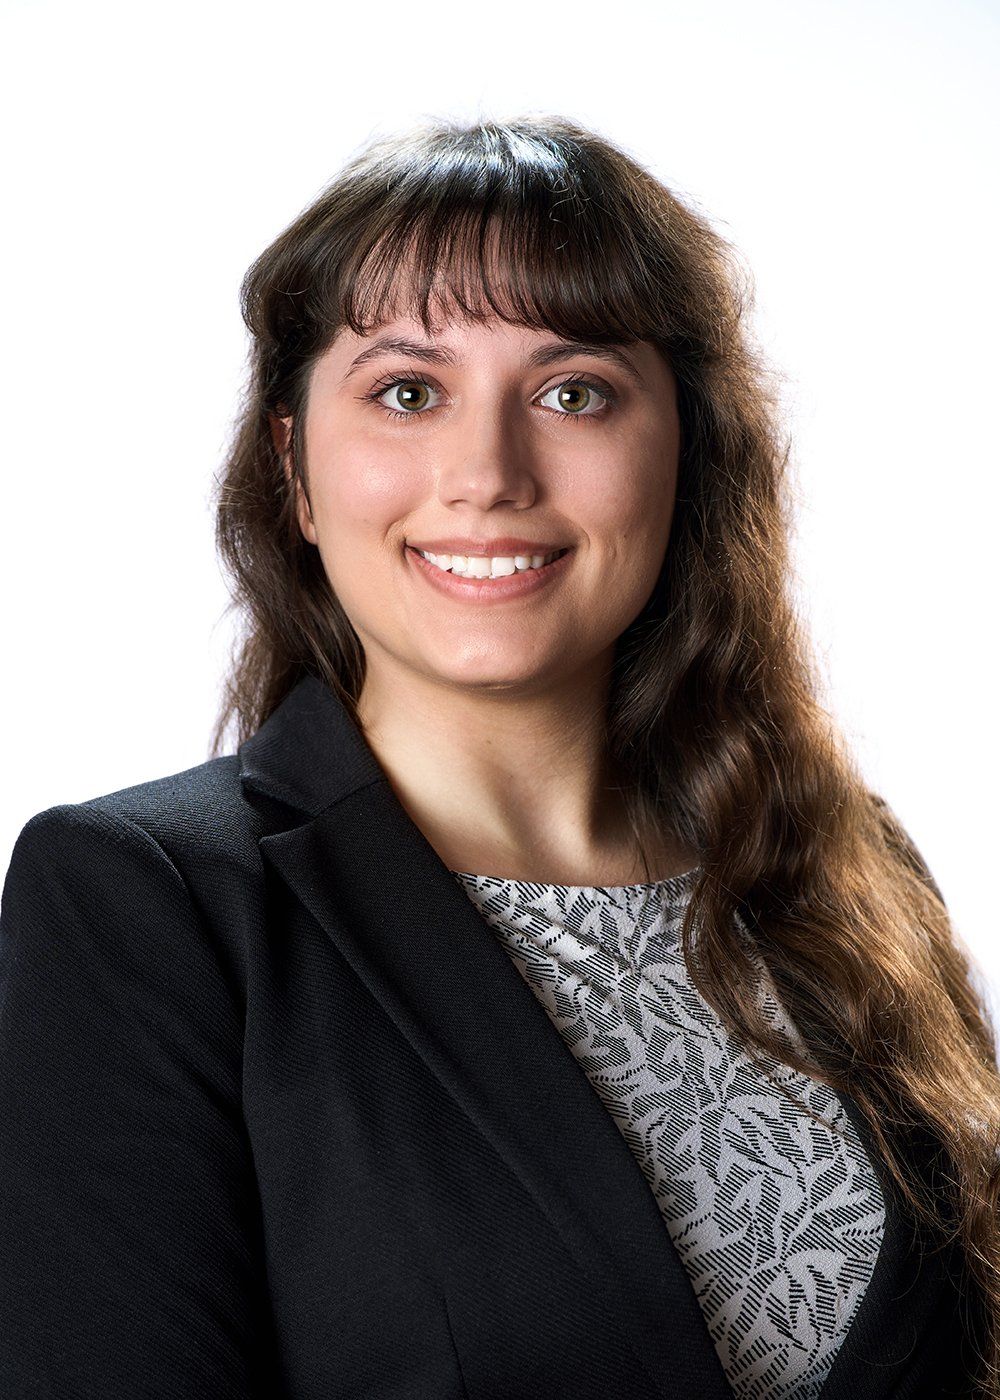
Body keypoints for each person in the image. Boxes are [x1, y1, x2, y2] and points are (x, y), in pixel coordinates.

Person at [1, 114, 997, 1400]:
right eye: (407, 393)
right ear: (294, 469)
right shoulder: (150, 904)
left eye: (572, 391)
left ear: (683, 454)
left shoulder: (837, 865)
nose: (486, 473)